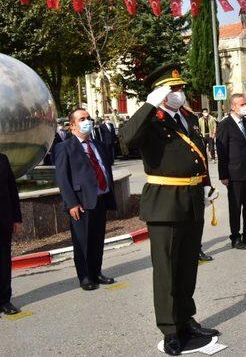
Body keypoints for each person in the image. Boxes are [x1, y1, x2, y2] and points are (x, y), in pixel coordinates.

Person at [120, 66, 218, 354]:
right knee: (166, 270)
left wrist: (206, 186)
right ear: (160, 93)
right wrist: (149, 103)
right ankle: (170, 329)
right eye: (172, 90)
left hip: (192, 199)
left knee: (187, 266)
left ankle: (186, 319)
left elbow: (197, 155)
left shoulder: (187, 118)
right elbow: (125, 140)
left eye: (180, 89)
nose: (179, 94)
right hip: (164, 203)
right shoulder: (151, 121)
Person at [55, 108, 116, 291]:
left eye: (88, 118)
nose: (87, 121)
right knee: (82, 241)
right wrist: (71, 203)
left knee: (97, 239)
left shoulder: (97, 145)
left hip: (100, 198)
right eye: (82, 119)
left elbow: (106, 169)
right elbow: (62, 178)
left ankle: (96, 272)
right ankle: (85, 277)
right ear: (72, 125)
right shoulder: (64, 147)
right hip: (81, 202)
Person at [217, 94, 246, 250]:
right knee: (235, 206)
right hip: (234, 173)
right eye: (242, 104)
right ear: (233, 106)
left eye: (245, 104)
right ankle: (235, 237)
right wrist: (223, 175)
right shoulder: (225, 124)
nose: (245, 106)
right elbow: (222, 150)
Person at [0, 153, 22, 316]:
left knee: (3, 261)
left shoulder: (3, 159)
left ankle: (4, 300)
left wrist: (16, 218)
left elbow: (12, 188)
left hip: (3, 219)